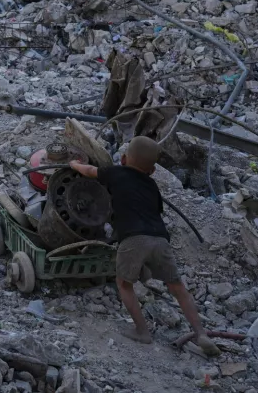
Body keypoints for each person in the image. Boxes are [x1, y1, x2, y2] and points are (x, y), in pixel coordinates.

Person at [69, 137, 220, 356]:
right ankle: (201, 333)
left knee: (124, 283)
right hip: (160, 239)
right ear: (151, 172)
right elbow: (155, 211)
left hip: (133, 238)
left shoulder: (115, 173)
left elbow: (91, 171)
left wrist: (73, 164)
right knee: (177, 286)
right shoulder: (151, 185)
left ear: (122, 159)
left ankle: (142, 331)